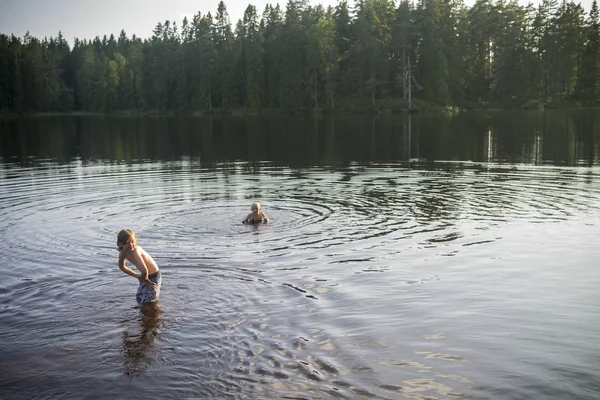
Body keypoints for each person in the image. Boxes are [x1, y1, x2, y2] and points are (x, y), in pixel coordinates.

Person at [117, 229, 162, 304]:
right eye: (127, 243)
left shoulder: (135, 251)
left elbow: (144, 270)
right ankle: (148, 313)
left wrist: (146, 280)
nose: (131, 245)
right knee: (139, 298)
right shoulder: (122, 253)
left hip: (153, 276)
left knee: (149, 301)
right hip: (144, 276)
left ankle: (155, 313)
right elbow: (122, 267)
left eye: (132, 241)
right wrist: (137, 276)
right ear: (120, 244)